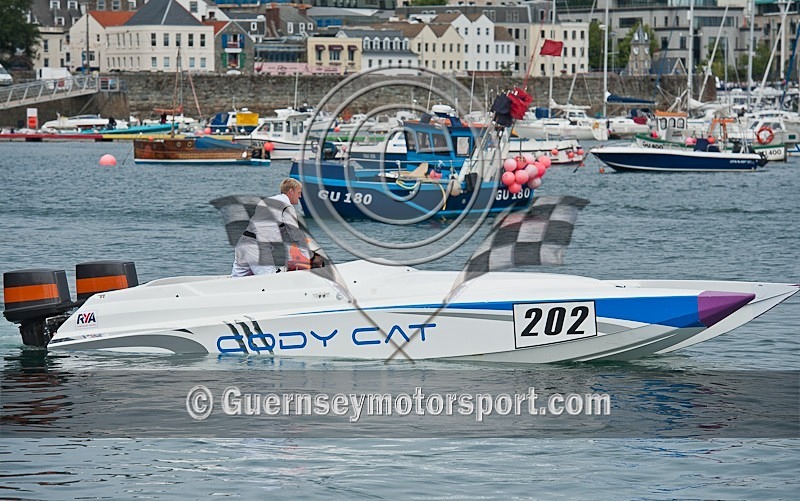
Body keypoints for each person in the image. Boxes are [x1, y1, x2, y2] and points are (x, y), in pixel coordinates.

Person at [231, 178, 318, 277]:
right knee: (270, 280)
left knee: (236, 280)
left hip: (243, 243)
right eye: (299, 192)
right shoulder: (286, 207)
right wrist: (310, 257)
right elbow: (295, 234)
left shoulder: (267, 201)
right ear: (291, 191)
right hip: (257, 247)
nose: (300, 196)